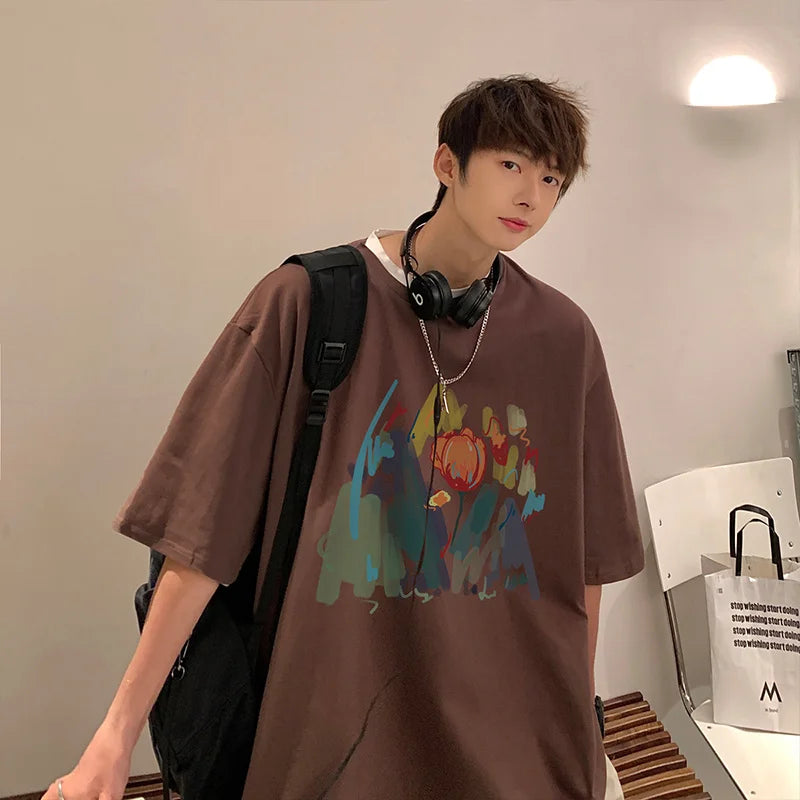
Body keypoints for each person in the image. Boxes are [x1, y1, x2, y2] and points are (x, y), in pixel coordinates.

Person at [44, 75, 642, 800]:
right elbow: (201, 535)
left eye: (551, 179)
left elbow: (586, 561)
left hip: (510, 749)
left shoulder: (563, 339)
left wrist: (576, 724)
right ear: (447, 164)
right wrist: (114, 736)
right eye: (511, 164)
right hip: (334, 741)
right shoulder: (308, 303)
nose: (530, 196)